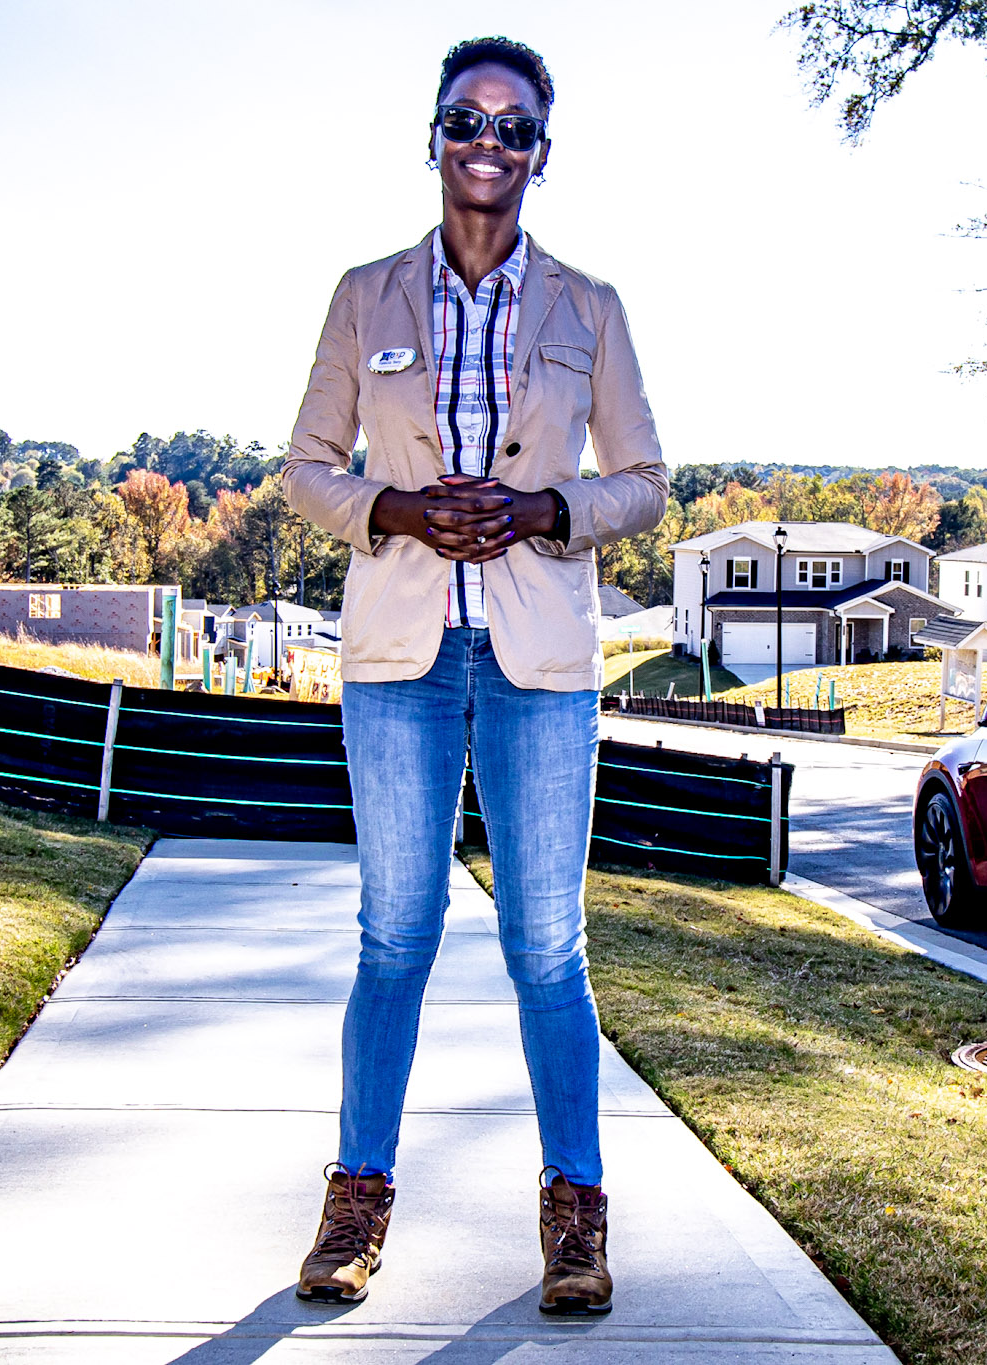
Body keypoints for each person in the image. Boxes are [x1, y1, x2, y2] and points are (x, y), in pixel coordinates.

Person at [281, 35, 668, 1317]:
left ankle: (575, 1219)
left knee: (544, 946)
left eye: (512, 127)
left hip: (538, 662)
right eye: (465, 120)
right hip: (397, 654)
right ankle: (355, 1202)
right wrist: (393, 506)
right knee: (393, 936)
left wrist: (542, 510)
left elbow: (644, 484)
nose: (486, 144)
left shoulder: (589, 309)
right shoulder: (363, 295)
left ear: (540, 155)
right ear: (433, 138)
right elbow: (305, 467)